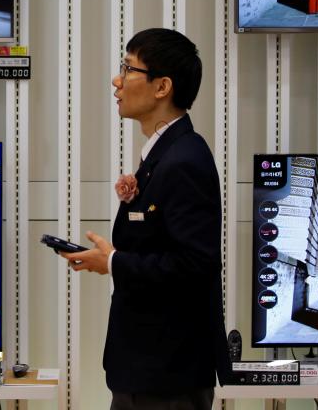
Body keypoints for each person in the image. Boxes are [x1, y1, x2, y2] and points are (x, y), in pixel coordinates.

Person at [61, 28, 231, 410]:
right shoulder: (164, 153)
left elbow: (195, 264)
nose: (116, 79)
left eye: (128, 68)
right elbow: (160, 240)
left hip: (167, 374)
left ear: (162, 87)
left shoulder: (184, 160)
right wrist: (113, 257)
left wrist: (114, 262)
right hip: (149, 366)